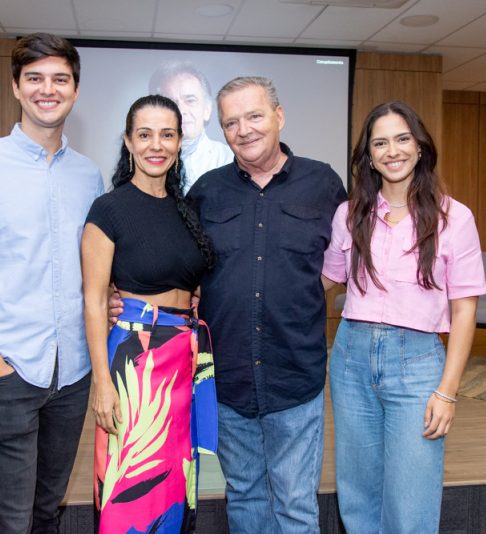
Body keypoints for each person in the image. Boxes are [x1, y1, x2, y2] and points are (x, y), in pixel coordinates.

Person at [0, 33, 103, 533]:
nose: (46, 90)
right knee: (8, 522)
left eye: (59, 79)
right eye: (34, 78)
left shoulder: (88, 176)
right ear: (15, 86)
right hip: (3, 373)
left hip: (71, 375)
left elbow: (89, 269)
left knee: (47, 513)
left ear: (75, 90)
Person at [187, 77, 347, 533]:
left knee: (296, 507)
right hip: (229, 380)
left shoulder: (323, 183)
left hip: (294, 376)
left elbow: (341, 262)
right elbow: (182, 269)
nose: (244, 129)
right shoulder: (206, 191)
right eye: (231, 122)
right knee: (245, 498)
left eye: (254, 116)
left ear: (279, 115)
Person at [321, 100, 486, 533]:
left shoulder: (455, 217)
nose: (392, 151)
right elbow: (324, 281)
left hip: (417, 366)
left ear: (419, 146)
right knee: (358, 496)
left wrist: (448, 391)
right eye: (380, 143)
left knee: (410, 500)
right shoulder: (349, 213)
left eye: (401, 139)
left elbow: (465, 307)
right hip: (351, 358)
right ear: (369, 155)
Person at [83, 94, 218, 534]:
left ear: (180, 142)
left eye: (167, 134)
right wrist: (102, 384)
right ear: (128, 141)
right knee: (135, 482)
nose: (155, 145)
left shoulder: (187, 210)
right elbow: (93, 299)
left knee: (177, 482)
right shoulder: (109, 210)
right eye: (144, 134)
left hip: (186, 362)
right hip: (135, 365)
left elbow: (189, 275)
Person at [149, 62, 232, 192]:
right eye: (171, 103)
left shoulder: (229, 159)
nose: (181, 110)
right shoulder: (145, 161)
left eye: (190, 100)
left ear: (207, 109)